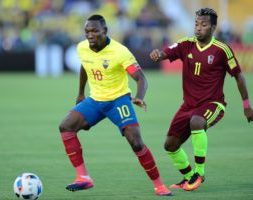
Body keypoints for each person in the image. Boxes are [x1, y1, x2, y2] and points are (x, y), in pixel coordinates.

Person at [59, 14, 172, 196]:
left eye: (95, 30)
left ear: (105, 31)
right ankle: (83, 178)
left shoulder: (120, 52)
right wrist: (80, 93)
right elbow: (85, 67)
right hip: (95, 100)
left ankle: (159, 186)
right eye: (87, 31)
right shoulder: (82, 48)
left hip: (118, 100)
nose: (90, 34)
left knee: (135, 142)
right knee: (66, 126)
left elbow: (141, 78)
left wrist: (139, 96)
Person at [149, 8, 253, 191]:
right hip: (188, 105)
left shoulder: (222, 50)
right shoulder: (186, 44)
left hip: (214, 104)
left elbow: (239, 76)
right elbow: (166, 52)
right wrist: (158, 54)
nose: (198, 28)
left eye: (203, 25)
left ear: (213, 27)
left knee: (196, 121)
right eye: (196, 24)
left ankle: (199, 172)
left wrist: (246, 105)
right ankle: (189, 177)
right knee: (170, 145)